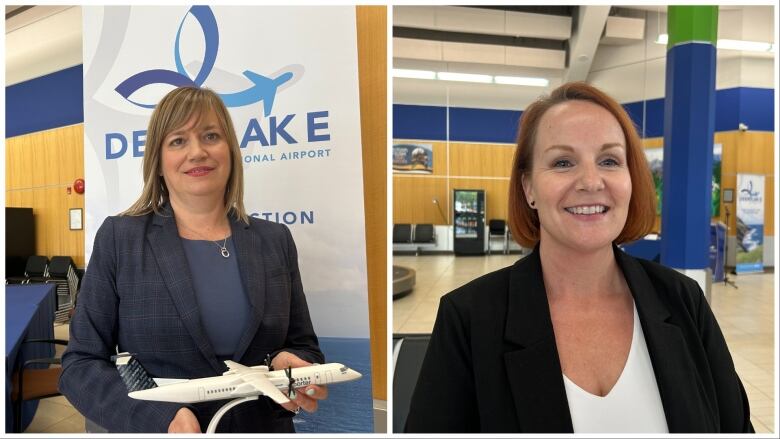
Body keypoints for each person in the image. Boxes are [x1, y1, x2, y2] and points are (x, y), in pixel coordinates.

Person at [404, 82, 753, 433]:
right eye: (563, 162)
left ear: (631, 179)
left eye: (609, 160)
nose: (590, 180)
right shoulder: (469, 319)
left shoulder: (683, 300)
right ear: (528, 188)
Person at [60, 87, 327, 433]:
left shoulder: (274, 240)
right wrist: (159, 418)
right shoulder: (120, 238)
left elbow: (304, 345)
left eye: (211, 136)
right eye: (178, 141)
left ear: (230, 150)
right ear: (157, 161)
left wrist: (291, 365)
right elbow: (80, 366)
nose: (197, 152)